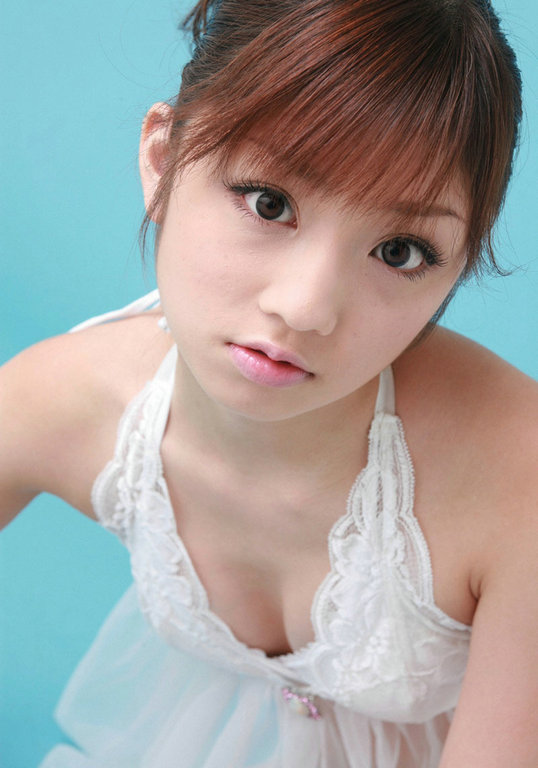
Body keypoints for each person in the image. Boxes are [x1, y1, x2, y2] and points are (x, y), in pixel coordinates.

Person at [1, 0, 537, 765]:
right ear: (163, 161)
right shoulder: (68, 400)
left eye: (400, 251)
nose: (306, 306)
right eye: (269, 203)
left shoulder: (518, 482)